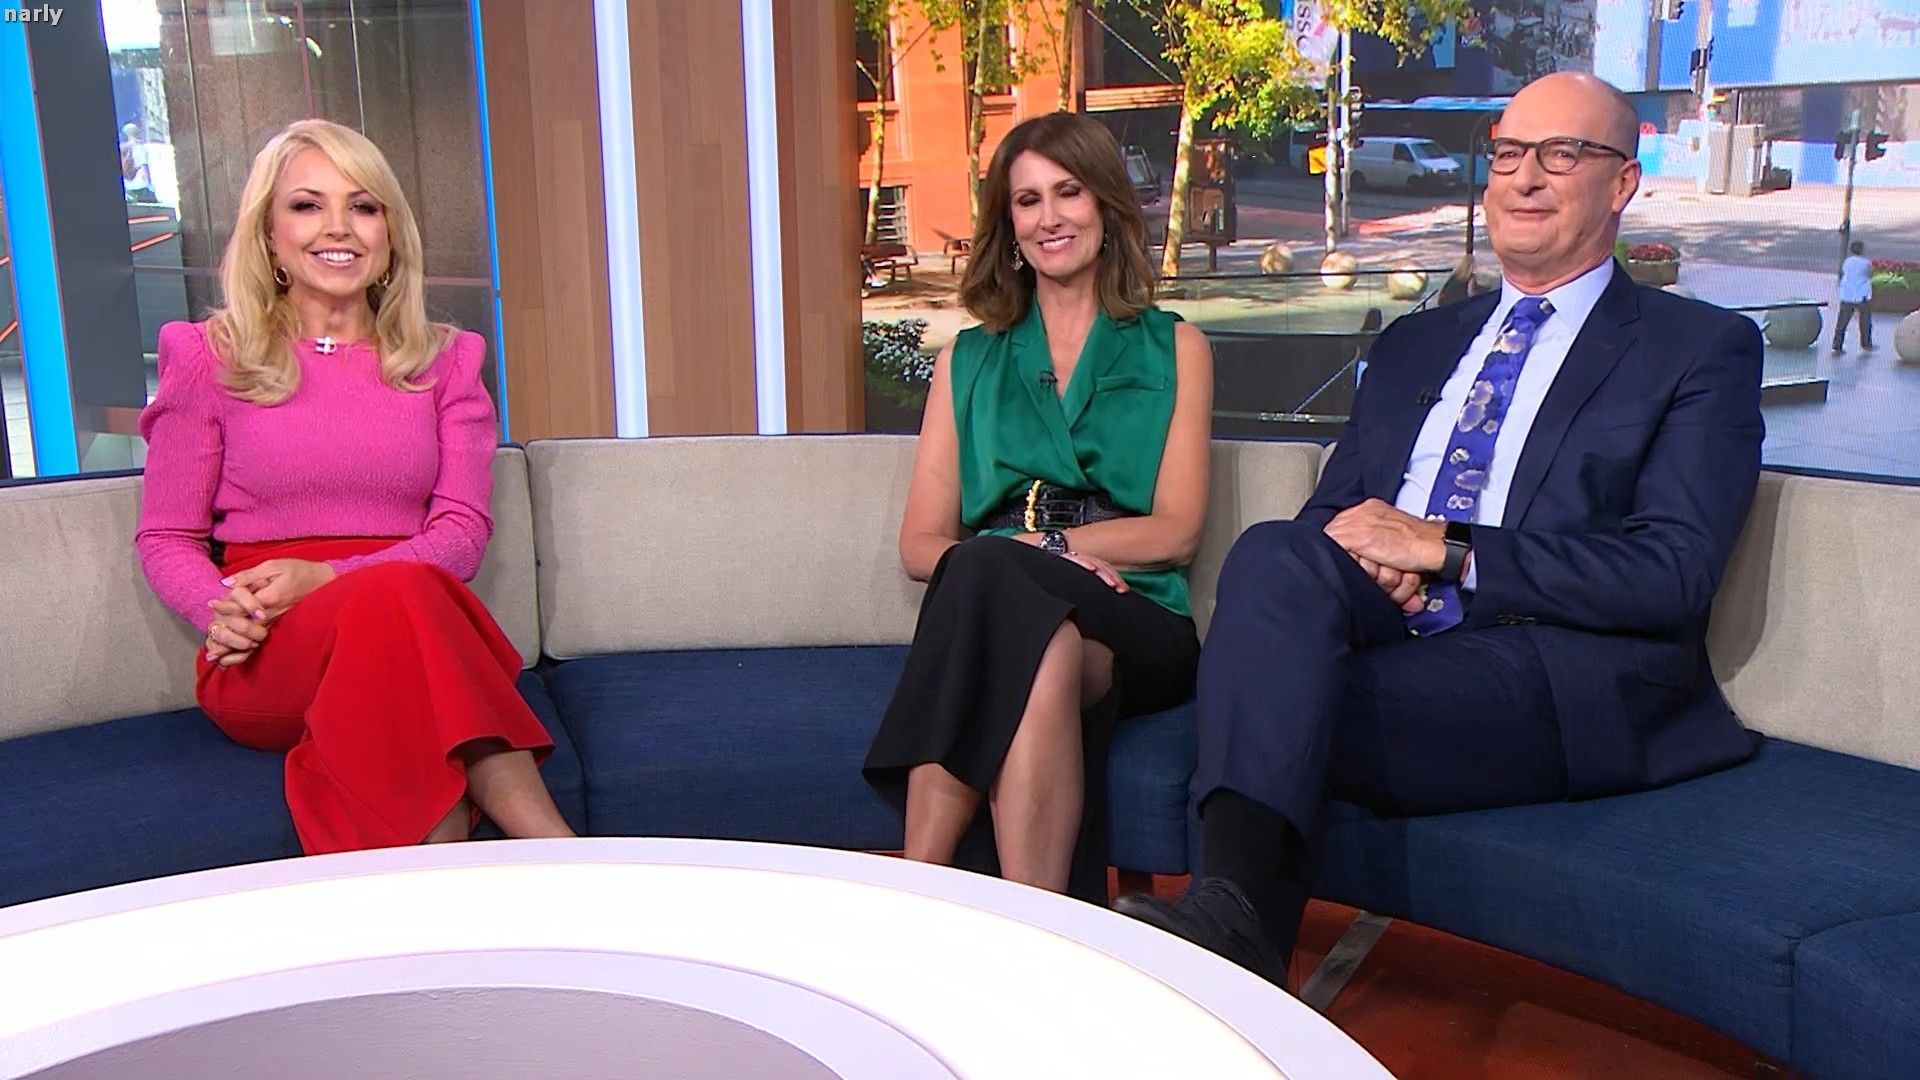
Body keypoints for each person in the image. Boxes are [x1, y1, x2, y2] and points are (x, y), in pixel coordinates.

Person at [1116, 72, 1766, 983]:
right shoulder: (1415, 343)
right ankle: (1237, 930)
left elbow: (1673, 573)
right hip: (1395, 633)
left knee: (1268, 704)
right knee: (1274, 551)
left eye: (1561, 154)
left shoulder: (1697, 348)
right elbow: (1334, 517)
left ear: (1622, 181)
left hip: (1554, 663)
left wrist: (1447, 550)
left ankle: (1232, 931)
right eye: (1508, 154)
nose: (1524, 178)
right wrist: (1373, 556)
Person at [135, 119, 574, 854]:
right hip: (270, 648)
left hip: (407, 616)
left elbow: (461, 537)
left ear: (389, 234)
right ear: (269, 233)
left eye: (363, 206)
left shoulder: (448, 362)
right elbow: (166, 535)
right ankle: (558, 852)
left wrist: (331, 577)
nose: (338, 227)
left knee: (400, 601)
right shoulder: (207, 356)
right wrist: (222, 611)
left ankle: (440, 873)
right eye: (307, 205)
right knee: (405, 600)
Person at [862, 112, 1215, 904]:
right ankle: (1041, 923)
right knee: (1039, 644)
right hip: (1013, 606)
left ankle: (918, 885)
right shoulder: (968, 359)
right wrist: (1032, 558)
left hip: (1135, 607)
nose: (1050, 217)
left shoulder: (1175, 347)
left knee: (991, 567)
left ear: (1106, 207)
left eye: (1068, 192)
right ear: (1010, 227)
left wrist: (1047, 548)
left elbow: (1177, 531)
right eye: (1028, 201)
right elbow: (920, 545)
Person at [1833, 239, 1874, 353]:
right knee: (1865, 321)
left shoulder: (1847, 262)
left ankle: (1837, 344)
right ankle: (1866, 344)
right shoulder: (1866, 263)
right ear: (1862, 250)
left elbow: (1843, 273)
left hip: (1847, 295)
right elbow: (1870, 274)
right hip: (1861, 295)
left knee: (1842, 322)